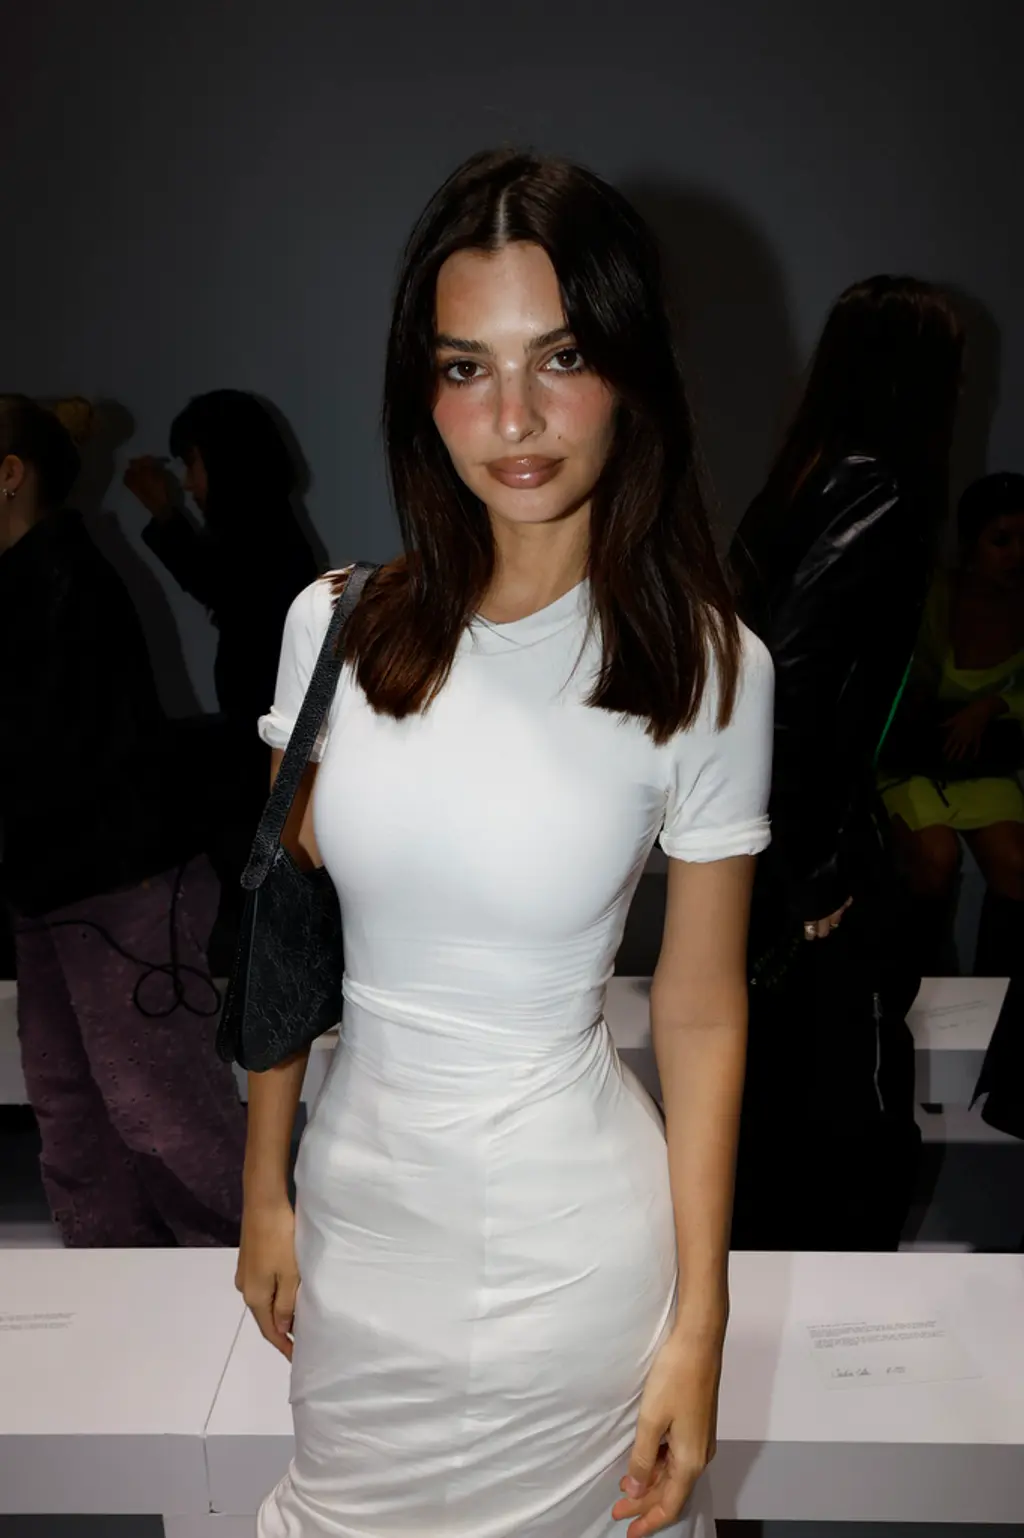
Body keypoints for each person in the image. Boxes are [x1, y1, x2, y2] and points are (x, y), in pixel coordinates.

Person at [236, 149, 773, 1538]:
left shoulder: (706, 665)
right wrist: (263, 1188)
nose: (514, 417)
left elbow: (701, 1008)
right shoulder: (334, 626)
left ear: (629, 373)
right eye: (466, 367)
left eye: (562, 357)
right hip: (357, 1210)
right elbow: (284, 928)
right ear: (421, 393)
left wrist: (701, 1320)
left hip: (567, 1250)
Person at [729, 275, 964, 1252]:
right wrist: (818, 867)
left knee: (789, 1097)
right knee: (846, 1112)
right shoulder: (876, 484)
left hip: (775, 839)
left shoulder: (805, 475)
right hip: (812, 845)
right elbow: (789, 679)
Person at [0, 395, 247, 1246]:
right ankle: (111, 1287)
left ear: (10, 475)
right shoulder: (33, 575)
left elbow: (48, 748)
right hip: (55, 886)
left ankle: (238, 1291)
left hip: (124, 885)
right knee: (71, 1110)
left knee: (163, 1110)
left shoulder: (64, 578)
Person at [124, 391, 320, 960]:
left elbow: (224, 586)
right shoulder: (270, 532)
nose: (188, 483)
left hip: (265, 752)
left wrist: (165, 517)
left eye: (193, 463)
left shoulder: (267, 539)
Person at [880, 472, 1024, 978]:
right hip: (915, 759)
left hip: (981, 762)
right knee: (936, 859)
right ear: (970, 545)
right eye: (1001, 540)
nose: (1017, 554)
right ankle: (916, 982)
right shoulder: (933, 598)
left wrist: (993, 706)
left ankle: (994, 994)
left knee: (1015, 864)